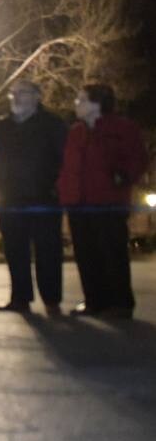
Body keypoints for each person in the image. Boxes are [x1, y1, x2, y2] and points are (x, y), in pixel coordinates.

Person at [58, 83, 147, 319]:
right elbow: (67, 166)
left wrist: (123, 177)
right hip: (78, 202)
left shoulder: (122, 128)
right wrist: (64, 192)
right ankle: (94, 301)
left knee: (112, 253)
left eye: (82, 100)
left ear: (97, 103)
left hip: (108, 202)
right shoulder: (76, 132)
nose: (77, 104)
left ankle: (120, 303)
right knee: (86, 253)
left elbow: (137, 158)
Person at [0, 81, 68, 315]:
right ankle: (20, 297)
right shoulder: (3, 126)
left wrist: (55, 188)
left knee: (48, 250)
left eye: (22, 93)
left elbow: (63, 159)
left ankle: (52, 300)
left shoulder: (52, 124)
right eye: (12, 93)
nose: (16, 98)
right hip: (10, 199)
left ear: (36, 96)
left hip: (43, 197)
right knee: (15, 249)